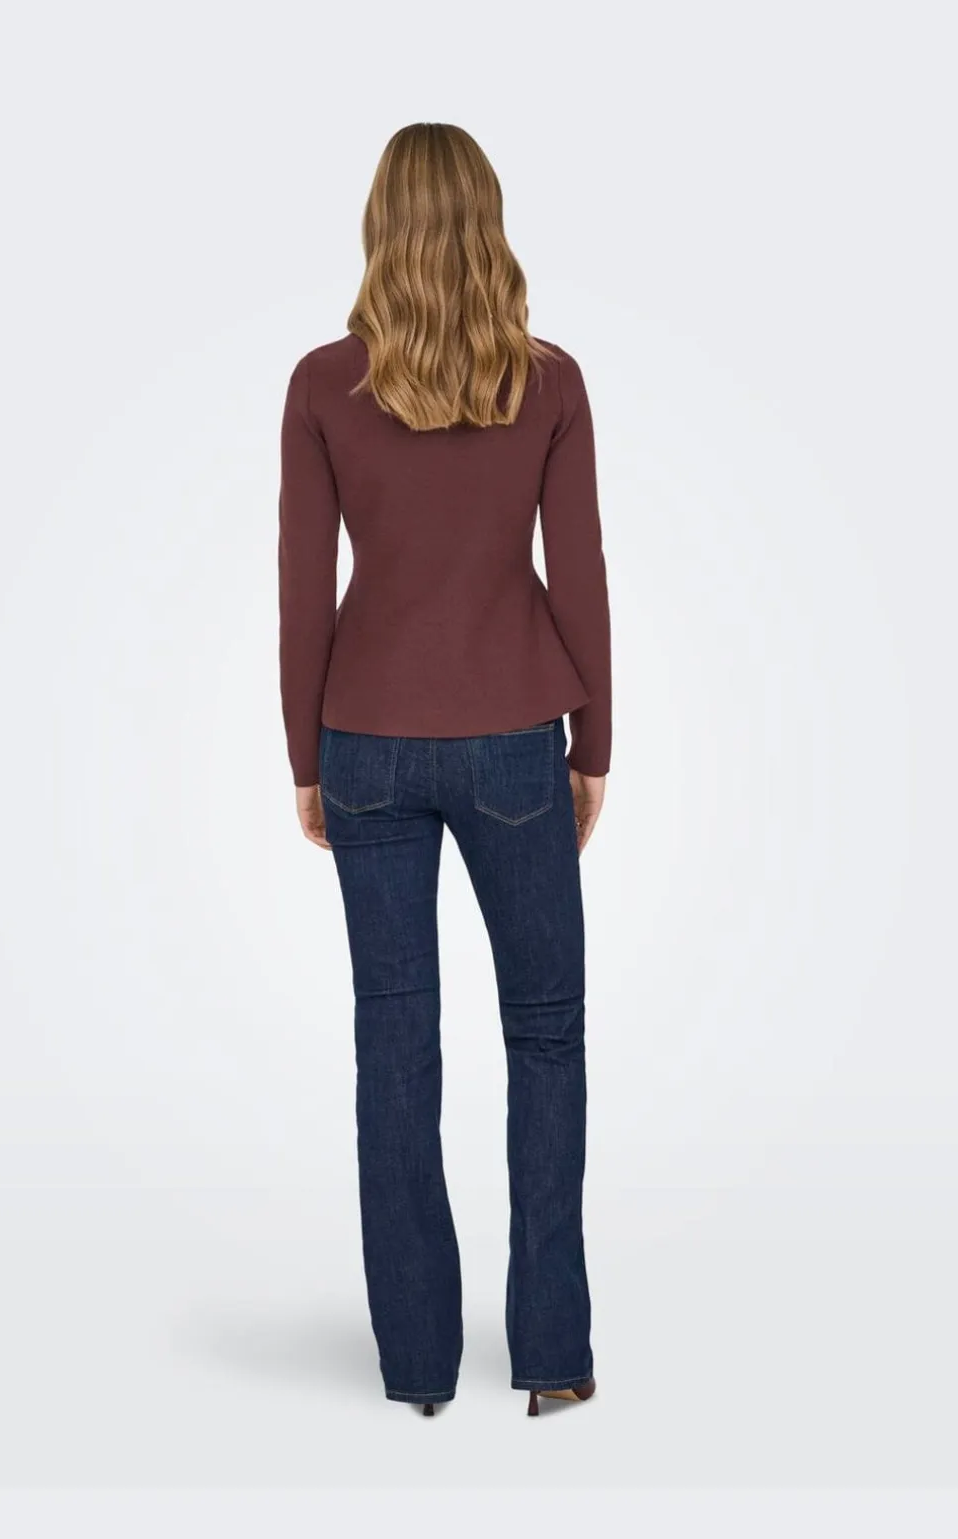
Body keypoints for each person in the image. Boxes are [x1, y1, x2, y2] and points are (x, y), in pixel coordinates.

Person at [277, 122, 611, 1419]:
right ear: (489, 221)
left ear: (382, 227)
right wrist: (596, 742)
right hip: (518, 732)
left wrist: (305, 756)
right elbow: (578, 573)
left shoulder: (322, 384)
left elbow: (304, 584)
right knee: (547, 1033)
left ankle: (418, 1367)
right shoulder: (550, 381)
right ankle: (554, 1357)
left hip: (365, 736)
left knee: (394, 1040)